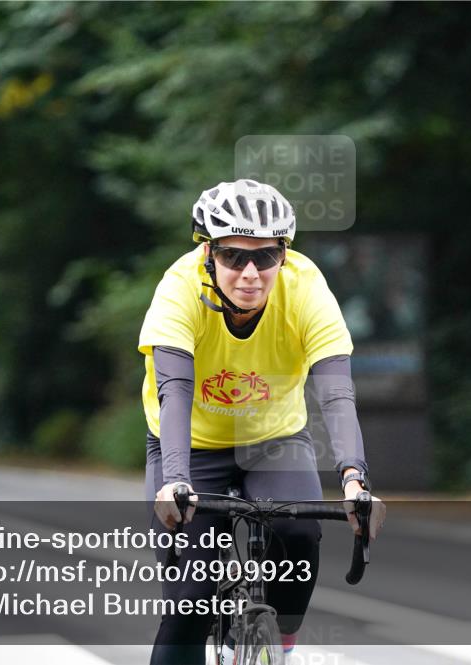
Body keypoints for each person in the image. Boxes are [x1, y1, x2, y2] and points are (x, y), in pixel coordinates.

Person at [138, 179, 386, 664]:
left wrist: (355, 480)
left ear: (283, 256)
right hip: (190, 445)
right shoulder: (178, 289)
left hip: (274, 439)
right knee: (189, 598)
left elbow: (335, 391)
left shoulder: (307, 288)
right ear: (208, 253)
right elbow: (175, 390)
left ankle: (282, 644)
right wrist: (175, 481)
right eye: (233, 256)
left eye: (266, 257)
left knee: (299, 535)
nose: (250, 272)